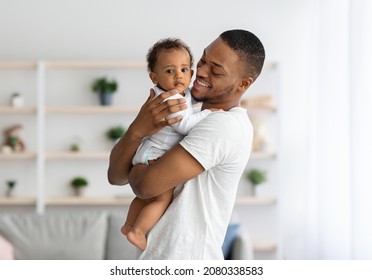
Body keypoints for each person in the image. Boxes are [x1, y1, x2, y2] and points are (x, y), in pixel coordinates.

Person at [108, 29, 265, 259]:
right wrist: (137, 129)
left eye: (215, 70)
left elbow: (145, 187)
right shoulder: (185, 106)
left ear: (243, 84)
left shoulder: (224, 125)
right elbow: (115, 177)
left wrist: (137, 167)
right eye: (202, 60)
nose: (199, 72)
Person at [122, 38, 217, 250]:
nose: (178, 76)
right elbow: (184, 125)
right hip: (153, 154)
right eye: (169, 71)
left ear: (191, 74)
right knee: (161, 198)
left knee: (145, 197)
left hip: (147, 152)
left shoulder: (179, 94)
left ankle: (129, 224)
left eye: (184, 70)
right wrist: (210, 113)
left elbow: (191, 100)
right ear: (154, 77)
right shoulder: (170, 99)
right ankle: (138, 232)